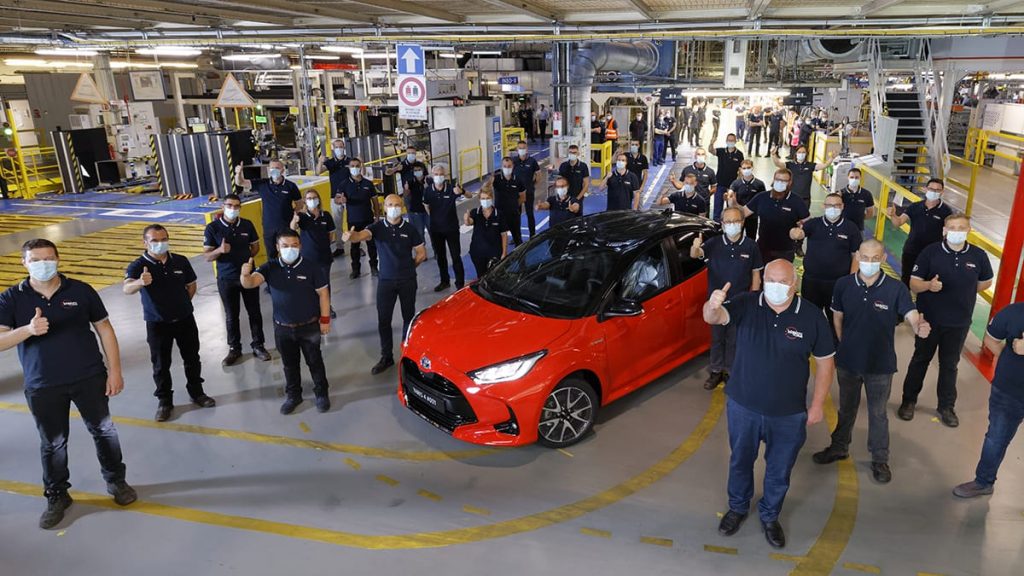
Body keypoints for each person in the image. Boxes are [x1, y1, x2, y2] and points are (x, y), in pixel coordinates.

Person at [0, 238, 137, 529]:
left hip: (88, 377)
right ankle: (57, 495)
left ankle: (116, 481)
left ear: (58, 259)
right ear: (24, 263)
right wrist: (27, 329)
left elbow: (105, 330)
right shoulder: (11, 298)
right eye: (35, 259)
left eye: (48, 258)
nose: (43, 264)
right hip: (43, 384)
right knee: (52, 442)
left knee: (103, 430)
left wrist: (115, 371)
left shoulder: (81, 290)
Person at [704, 259, 835, 550]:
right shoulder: (747, 304)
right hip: (743, 406)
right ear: (763, 281)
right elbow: (714, 318)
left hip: (788, 414)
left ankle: (769, 515)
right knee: (740, 461)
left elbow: (826, 364)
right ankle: (737, 508)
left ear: (795, 283)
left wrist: (816, 406)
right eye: (771, 280)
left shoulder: (812, 317)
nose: (776, 286)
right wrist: (713, 305)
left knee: (779, 470)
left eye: (783, 281)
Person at [812, 239, 930, 484]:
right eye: (864, 257)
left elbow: (910, 313)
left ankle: (879, 459)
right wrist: (845, 344)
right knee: (846, 408)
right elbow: (837, 317)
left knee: (878, 413)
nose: (869, 262)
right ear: (857, 256)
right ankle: (839, 447)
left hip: (880, 364)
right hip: (848, 362)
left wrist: (918, 325)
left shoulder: (895, 288)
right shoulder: (843, 285)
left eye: (875, 258)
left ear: (883, 259)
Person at [900, 213, 993, 427]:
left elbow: (985, 282)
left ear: (968, 230)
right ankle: (909, 401)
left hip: (959, 322)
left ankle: (946, 406)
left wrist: (964, 292)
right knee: (920, 359)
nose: (956, 231)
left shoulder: (978, 256)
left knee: (950, 365)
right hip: (929, 320)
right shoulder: (930, 253)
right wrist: (928, 287)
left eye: (961, 227)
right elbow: (914, 283)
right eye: (952, 227)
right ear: (944, 230)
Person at [124, 224, 214, 422]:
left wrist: (181, 305)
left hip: (184, 319)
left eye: (163, 239)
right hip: (157, 323)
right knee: (161, 364)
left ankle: (197, 392)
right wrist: (140, 282)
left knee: (192, 358)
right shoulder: (138, 265)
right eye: (154, 240)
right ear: (145, 242)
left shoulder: (180, 261)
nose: (160, 244)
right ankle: (165, 401)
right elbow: (127, 288)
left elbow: (191, 285)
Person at [240, 230, 331, 415]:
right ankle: (293, 395)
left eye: (294, 245)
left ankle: (321, 393)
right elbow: (250, 284)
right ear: (277, 247)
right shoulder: (269, 267)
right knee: (289, 364)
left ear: (300, 246)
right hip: (282, 328)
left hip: (309, 326)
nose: (290, 249)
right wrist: (245, 275)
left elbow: (323, 294)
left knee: (315, 362)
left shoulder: (312, 267)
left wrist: (325, 320)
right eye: (285, 246)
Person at [342, 195, 427, 375]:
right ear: (385, 207)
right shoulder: (378, 228)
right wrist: (352, 236)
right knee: (384, 320)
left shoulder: (410, 229)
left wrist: (409, 267)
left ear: (402, 207)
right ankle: (386, 356)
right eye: (390, 205)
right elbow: (361, 235)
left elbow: (421, 253)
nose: (393, 208)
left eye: (397, 205)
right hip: (386, 282)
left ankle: (407, 353)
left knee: (408, 318)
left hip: (407, 281)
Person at [953, 302, 1024, 498]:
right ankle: (983, 481)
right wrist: (1009, 360)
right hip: (1009, 390)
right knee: (996, 438)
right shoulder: (1012, 312)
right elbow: (991, 339)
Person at [690, 207, 763, 390]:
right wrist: (695, 247)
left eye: (736, 221)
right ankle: (716, 371)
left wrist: (753, 299)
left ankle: (730, 371)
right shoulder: (714, 244)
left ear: (743, 222)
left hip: (739, 303)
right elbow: (696, 255)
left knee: (734, 339)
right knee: (717, 338)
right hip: (716, 304)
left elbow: (756, 275)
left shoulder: (751, 246)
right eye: (728, 222)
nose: (732, 225)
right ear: (722, 224)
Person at [203, 194, 271, 365]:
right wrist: (219, 250)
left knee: (254, 312)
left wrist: (246, 261)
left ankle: (258, 345)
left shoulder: (247, 224)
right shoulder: (213, 228)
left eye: (236, 206)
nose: (233, 209)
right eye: (229, 205)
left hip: (248, 276)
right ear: (223, 206)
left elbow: (255, 247)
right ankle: (234, 349)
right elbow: (207, 256)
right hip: (226, 278)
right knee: (231, 315)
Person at [791, 194, 862, 331]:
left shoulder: (851, 228)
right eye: (829, 205)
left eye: (836, 205)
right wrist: (794, 233)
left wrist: (852, 279)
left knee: (835, 317)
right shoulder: (813, 224)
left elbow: (856, 256)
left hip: (837, 283)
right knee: (810, 315)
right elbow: (798, 233)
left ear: (842, 207)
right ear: (824, 206)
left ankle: (835, 344)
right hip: (812, 281)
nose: (833, 208)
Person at [726, 168, 810, 262]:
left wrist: (800, 232)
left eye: (784, 181)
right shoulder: (762, 197)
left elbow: (808, 223)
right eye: (778, 180)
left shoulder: (797, 201)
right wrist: (734, 204)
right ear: (773, 180)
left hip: (785, 250)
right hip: (763, 248)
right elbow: (744, 212)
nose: (780, 183)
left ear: (790, 182)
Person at [885, 178, 953, 287]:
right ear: (925, 189)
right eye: (931, 189)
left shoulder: (946, 211)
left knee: (927, 284)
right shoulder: (915, 207)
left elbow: (949, 232)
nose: (934, 192)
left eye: (937, 190)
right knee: (906, 281)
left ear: (942, 192)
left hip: (932, 256)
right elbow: (898, 223)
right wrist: (893, 215)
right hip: (911, 251)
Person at [234, 160, 302, 260]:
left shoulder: (291, 186)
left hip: (286, 226)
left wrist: (293, 219)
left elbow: (299, 204)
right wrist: (238, 173)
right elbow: (241, 182)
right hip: (269, 227)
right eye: (272, 168)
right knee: (271, 255)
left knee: (288, 253)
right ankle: (274, 274)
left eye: (277, 168)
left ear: (283, 170)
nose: (274, 171)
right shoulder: (263, 184)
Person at [290, 189, 337, 318]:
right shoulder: (302, 217)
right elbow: (293, 228)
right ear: (305, 200)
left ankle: (327, 308)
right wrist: (294, 220)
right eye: (309, 198)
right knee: (309, 285)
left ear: (319, 199)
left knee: (325, 284)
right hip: (307, 258)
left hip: (324, 257)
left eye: (314, 197)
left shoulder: (326, 215)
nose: (312, 200)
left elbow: (330, 235)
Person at [424, 164, 469, 291]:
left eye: (441, 174)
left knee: (456, 256)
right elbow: (426, 206)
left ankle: (460, 284)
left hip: (451, 229)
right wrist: (436, 217)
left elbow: (470, 196)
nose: (438, 177)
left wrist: (463, 191)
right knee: (441, 257)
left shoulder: (451, 189)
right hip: (436, 230)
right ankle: (445, 281)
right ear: (432, 176)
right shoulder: (428, 191)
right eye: (436, 174)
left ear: (445, 176)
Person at [337, 158, 381, 278]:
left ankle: (373, 267)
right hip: (353, 221)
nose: (355, 168)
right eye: (352, 166)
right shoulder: (344, 184)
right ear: (349, 167)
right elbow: (337, 199)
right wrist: (341, 200)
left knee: (371, 246)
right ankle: (355, 270)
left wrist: (377, 217)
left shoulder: (368, 184)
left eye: (357, 165)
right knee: (354, 247)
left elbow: (375, 202)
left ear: (361, 167)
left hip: (368, 219)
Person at [316, 139, 350, 257]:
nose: (339, 149)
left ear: (344, 147)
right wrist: (320, 161)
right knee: (337, 223)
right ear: (333, 148)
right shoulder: (330, 163)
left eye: (341, 146)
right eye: (337, 147)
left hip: (349, 196)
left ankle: (357, 245)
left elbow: (359, 172)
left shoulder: (349, 161)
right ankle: (340, 247)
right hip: (334, 196)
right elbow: (318, 171)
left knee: (352, 221)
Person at [465, 189, 509, 278]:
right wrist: (466, 218)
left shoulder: (499, 214)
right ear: (479, 200)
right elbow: (469, 222)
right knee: (481, 276)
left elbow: (504, 234)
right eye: (483, 198)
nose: (485, 201)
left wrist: (504, 253)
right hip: (477, 253)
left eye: (487, 198)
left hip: (494, 253)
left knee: (494, 276)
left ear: (492, 198)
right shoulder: (475, 212)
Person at [727, 159, 766, 239]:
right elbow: (731, 192)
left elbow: (762, 200)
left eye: (748, 167)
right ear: (740, 169)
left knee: (751, 237)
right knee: (737, 236)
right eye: (744, 168)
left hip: (752, 217)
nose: (746, 170)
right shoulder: (736, 183)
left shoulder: (759, 184)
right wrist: (729, 195)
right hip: (739, 216)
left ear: (752, 168)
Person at [512, 140, 542, 238]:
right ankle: (517, 236)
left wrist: (532, 185)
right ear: (517, 149)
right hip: (517, 193)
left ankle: (532, 235)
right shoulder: (514, 161)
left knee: (529, 213)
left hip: (529, 192)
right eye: (520, 148)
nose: (522, 150)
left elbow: (538, 175)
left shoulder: (532, 161)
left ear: (527, 149)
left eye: (523, 148)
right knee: (516, 215)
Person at [712, 134, 744, 220]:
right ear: (726, 141)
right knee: (717, 209)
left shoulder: (739, 154)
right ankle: (716, 228)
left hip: (732, 187)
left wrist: (738, 184)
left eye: (732, 140)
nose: (730, 142)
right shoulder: (721, 151)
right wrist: (712, 142)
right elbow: (711, 150)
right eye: (729, 140)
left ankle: (729, 224)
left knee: (731, 208)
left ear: (735, 141)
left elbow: (741, 170)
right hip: (720, 184)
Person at [403, 164, 430, 256]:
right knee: (419, 233)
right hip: (416, 211)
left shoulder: (429, 181)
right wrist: (406, 190)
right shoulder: (410, 182)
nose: (417, 171)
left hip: (428, 211)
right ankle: (422, 253)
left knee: (432, 231)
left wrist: (427, 187)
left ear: (423, 170)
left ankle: (437, 252)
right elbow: (406, 196)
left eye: (419, 169)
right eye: (415, 170)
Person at [839, 167, 876, 232]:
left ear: (860, 178)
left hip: (858, 229)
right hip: (842, 228)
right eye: (852, 177)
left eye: (856, 177)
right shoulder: (840, 194)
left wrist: (860, 218)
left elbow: (870, 213)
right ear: (848, 178)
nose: (854, 179)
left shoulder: (866, 194)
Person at [558, 145, 590, 213]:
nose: (572, 154)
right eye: (570, 152)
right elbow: (560, 182)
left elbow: (586, 184)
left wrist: (577, 199)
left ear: (578, 153)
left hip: (578, 197)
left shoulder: (583, 166)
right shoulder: (563, 166)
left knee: (577, 218)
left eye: (574, 152)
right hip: (565, 198)